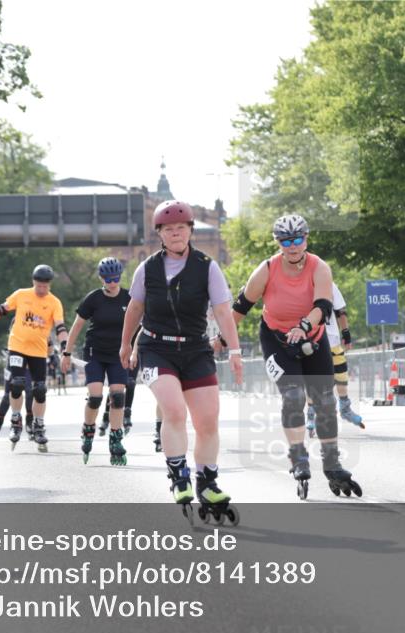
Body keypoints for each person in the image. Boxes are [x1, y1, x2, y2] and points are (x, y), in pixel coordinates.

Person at [119, 199, 242, 525]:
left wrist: (235, 350)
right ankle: (179, 475)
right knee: (173, 409)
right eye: (168, 229)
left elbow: (222, 311)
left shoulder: (207, 267)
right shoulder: (147, 269)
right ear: (159, 234)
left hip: (196, 349)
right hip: (156, 348)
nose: (176, 234)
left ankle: (208, 482)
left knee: (207, 420)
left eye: (181, 228)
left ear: (190, 231)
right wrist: (125, 344)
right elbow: (134, 309)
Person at [231, 214, 362, 500]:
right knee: (293, 396)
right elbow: (239, 309)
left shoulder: (319, 267)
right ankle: (298, 456)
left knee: (325, 400)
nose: (292, 246)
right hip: (276, 341)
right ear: (278, 242)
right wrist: (224, 343)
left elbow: (324, 306)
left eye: (297, 240)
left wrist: (303, 326)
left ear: (306, 239)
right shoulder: (266, 269)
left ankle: (332, 464)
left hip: (312, 338)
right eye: (285, 241)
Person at [0, 264, 68, 452]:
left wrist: (64, 348)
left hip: (38, 351)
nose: (42, 290)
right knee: (17, 384)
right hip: (17, 347)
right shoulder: (21, 295)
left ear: (50, 285)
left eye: (45, 287)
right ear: (33, 282)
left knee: (40, 390)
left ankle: (38, 425)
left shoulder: (54, 302)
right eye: (38, 286)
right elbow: (0, 310)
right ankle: (15, 421)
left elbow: (60, 327)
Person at [62, 257, 131, 465]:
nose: (112, 282)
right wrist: (66, 353)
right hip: (95, 352)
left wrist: (135, 350)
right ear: (101, 278)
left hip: (118, 354)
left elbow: (138, 326)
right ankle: (88, 428)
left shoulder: (129, 298)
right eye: (108, 278)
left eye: (116, 278)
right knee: (95, 397)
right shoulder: (93, 298)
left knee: (118, 396)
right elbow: (76, 326)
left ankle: (116, 439)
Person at [306, 281, 364, 436]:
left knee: (341, 374)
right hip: (310, 340)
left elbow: (340, 310)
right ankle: (311, 412)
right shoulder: (296, 285)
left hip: (331, 338)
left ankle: (345, 408)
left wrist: (346, 333)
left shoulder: (328, 284)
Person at [0, 348, 31, 443]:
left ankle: (30, 423)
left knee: (30, 392)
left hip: (29, 360)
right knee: (7, 395)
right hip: (13, 359)